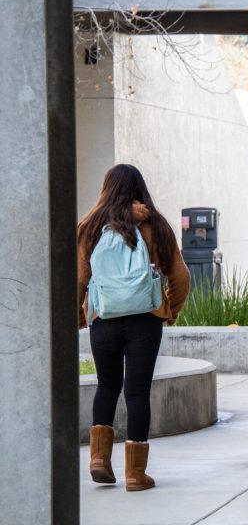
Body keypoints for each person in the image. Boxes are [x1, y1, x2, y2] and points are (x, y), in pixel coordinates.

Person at [78, 164, 190, 491]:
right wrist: (169, 309)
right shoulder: (155, 223)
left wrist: (81, 313)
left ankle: (99, 460)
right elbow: (180, 276)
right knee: (137, 392)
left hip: (105, 318)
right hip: (145, 319)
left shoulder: (90, 226)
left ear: (106, 188)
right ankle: (135, 475)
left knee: (107, 385)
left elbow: (80, 279)